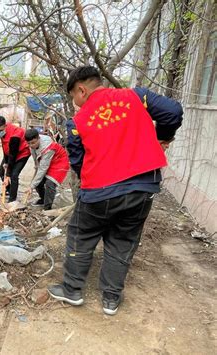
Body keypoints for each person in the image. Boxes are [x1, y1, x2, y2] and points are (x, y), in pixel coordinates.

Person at [48, 66, 183, 315]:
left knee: (81, 235)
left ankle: (72, 290)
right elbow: (173, 111)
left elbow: (77, 163)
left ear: (81, 89)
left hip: (98, 190)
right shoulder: (136, 96)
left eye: (73, 98)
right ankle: (110, 299)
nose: (76, 104)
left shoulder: (77, 122)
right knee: (123, 241)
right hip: (143, 187)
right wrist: (162, 137)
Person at [24, 129, 70, 210]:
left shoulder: (47, 147)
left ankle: (47, 207)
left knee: (50, 183)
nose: (31, 145)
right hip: (47, 161)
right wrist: (36, 167)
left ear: (39, 138)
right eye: (29, 143)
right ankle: (43, 199)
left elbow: (43, 168)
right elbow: (37, 161)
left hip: (59, 161)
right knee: (38, 183)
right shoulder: (32, 145)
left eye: (33, 143)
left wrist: (31, 186)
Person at [0, 115, 30, 202]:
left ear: (5, 126)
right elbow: (4, 147)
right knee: (1, 171)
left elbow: (13, 155)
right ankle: (9, 190)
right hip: (10, 152)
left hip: (22, 153)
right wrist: (5, 162)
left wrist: (8, 174)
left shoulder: (15, 135)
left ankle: (12, 199)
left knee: (14, 175)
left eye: (1, 130)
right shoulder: (3, 132)